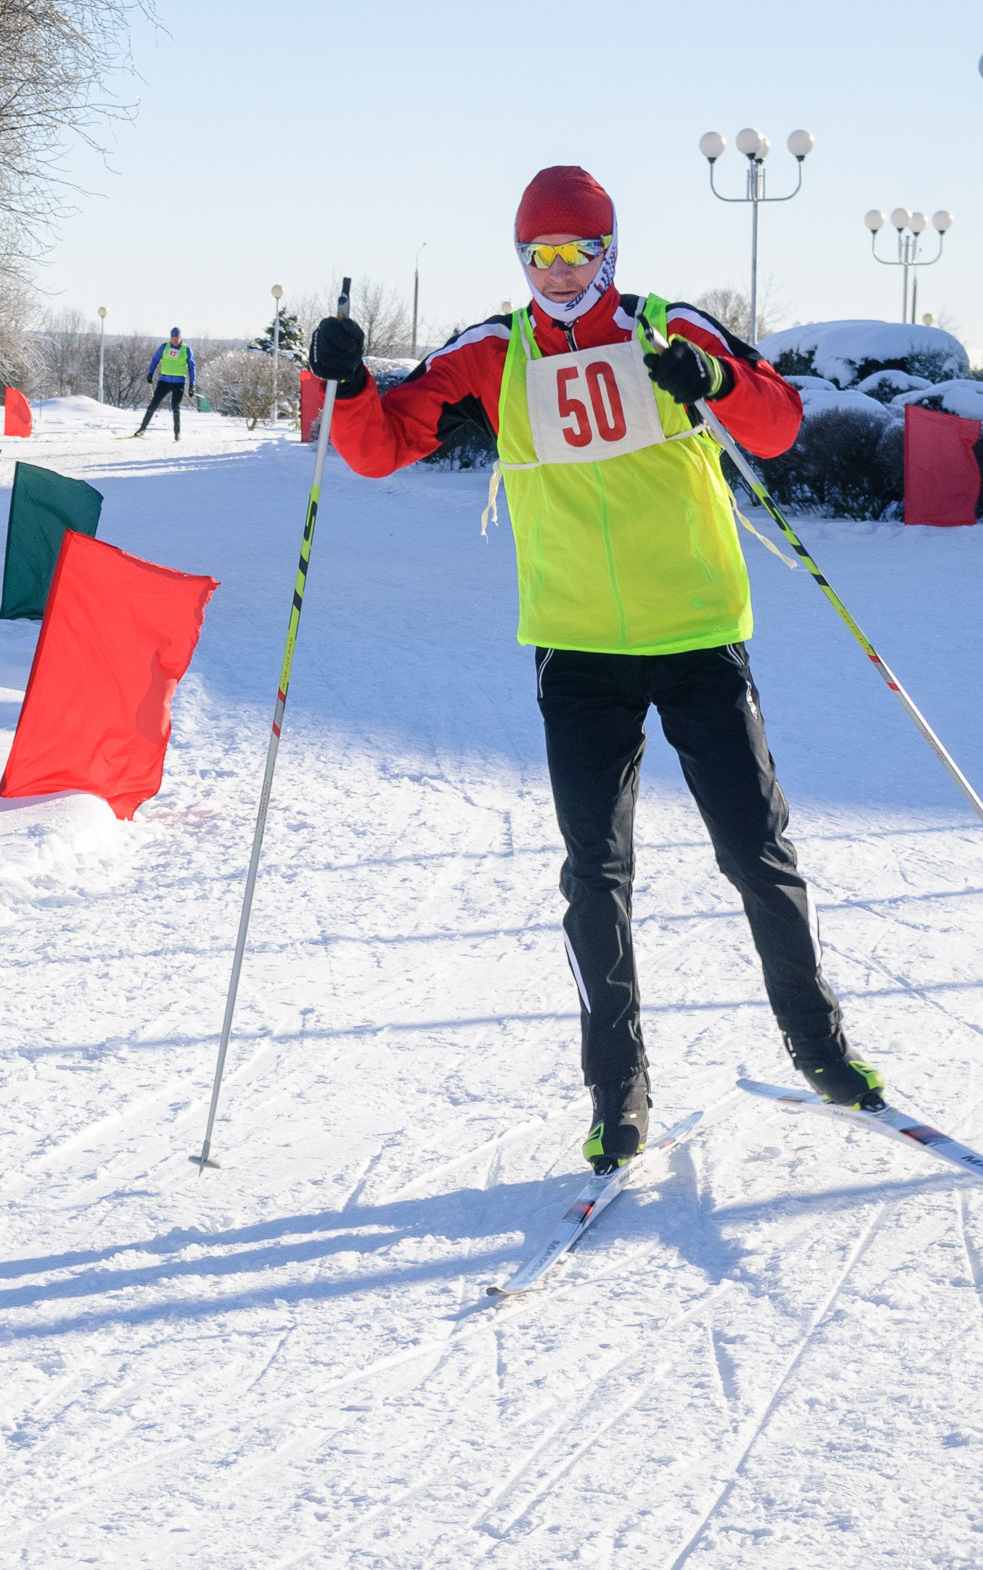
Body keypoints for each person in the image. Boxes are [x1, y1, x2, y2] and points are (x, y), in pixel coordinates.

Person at [308, 165, 886, 1176]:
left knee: (755, 850)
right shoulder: (494, 352)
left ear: (609, 254)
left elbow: (779, 424)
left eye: (580, 253)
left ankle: (818, 1046)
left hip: (696, 633)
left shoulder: (667, 329)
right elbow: (380, 445)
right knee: (594, 875)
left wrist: (713, 383)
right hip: (577, 647)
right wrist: (346, 383)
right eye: (541, 256)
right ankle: (617, 1091)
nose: (561, 273)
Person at [136, 327, 194, 439]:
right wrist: (150, 373)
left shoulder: (187, 349)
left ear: (180, 338)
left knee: (175, 406)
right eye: (173, 338)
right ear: (170, 338)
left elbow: (192, 368)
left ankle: (177, 433)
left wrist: (192, 385)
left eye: (177, 338)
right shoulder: (164, 347)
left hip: (179, 382)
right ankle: (142, 429)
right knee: (153, 404)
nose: (175, 340)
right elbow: (155, 360)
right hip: (164, 381)